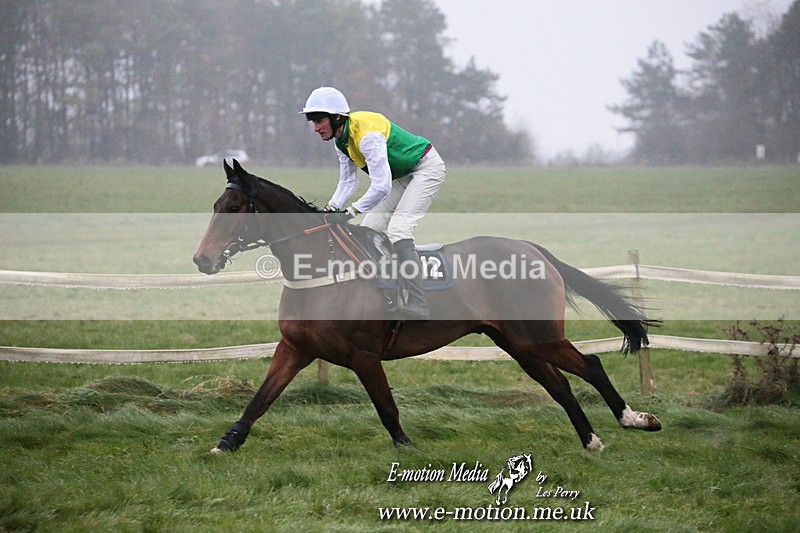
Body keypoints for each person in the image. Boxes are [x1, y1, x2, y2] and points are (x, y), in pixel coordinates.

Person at [300, 86, 446, 319]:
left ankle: (419, 302)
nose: (315, 128)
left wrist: (349, 212)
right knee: (369, 231)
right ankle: (385, 292)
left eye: (319, 121)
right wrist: (331, 208)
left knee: (398, 230)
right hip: (400, 175)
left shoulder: (367, 137)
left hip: (426, 168)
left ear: (337, 117)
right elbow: (348, 181)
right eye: (313, 122)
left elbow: (381, 186)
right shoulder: (341, 140)